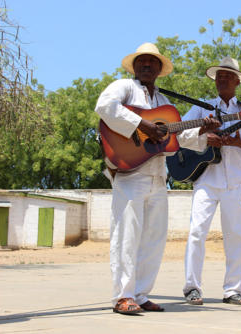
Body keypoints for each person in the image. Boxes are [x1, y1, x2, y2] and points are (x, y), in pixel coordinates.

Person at [95, 42, 219, 315]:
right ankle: (122, 296)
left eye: (153, 62)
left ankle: (140, 294)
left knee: (154, 238)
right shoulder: (124, 88)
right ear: (135, 65)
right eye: (143, 61)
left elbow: (180, 138)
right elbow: (104, 106)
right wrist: (142, 124)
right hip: (130, 173)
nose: (147, 66)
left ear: (160, 69)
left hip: (157, 176)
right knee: (127, 236)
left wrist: (203, 131)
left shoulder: (166, 105)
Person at [181, 57, 241, 306]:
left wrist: (235, 142)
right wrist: (204, 135)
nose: (222, 79)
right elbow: (181, 136)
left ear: (237, 81)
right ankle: (192, 288)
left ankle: (233, 290)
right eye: (219, 76)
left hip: (237, 181)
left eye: (228, 76)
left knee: (236, 237)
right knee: (196, 233)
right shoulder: (202, 107)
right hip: (207, 179)